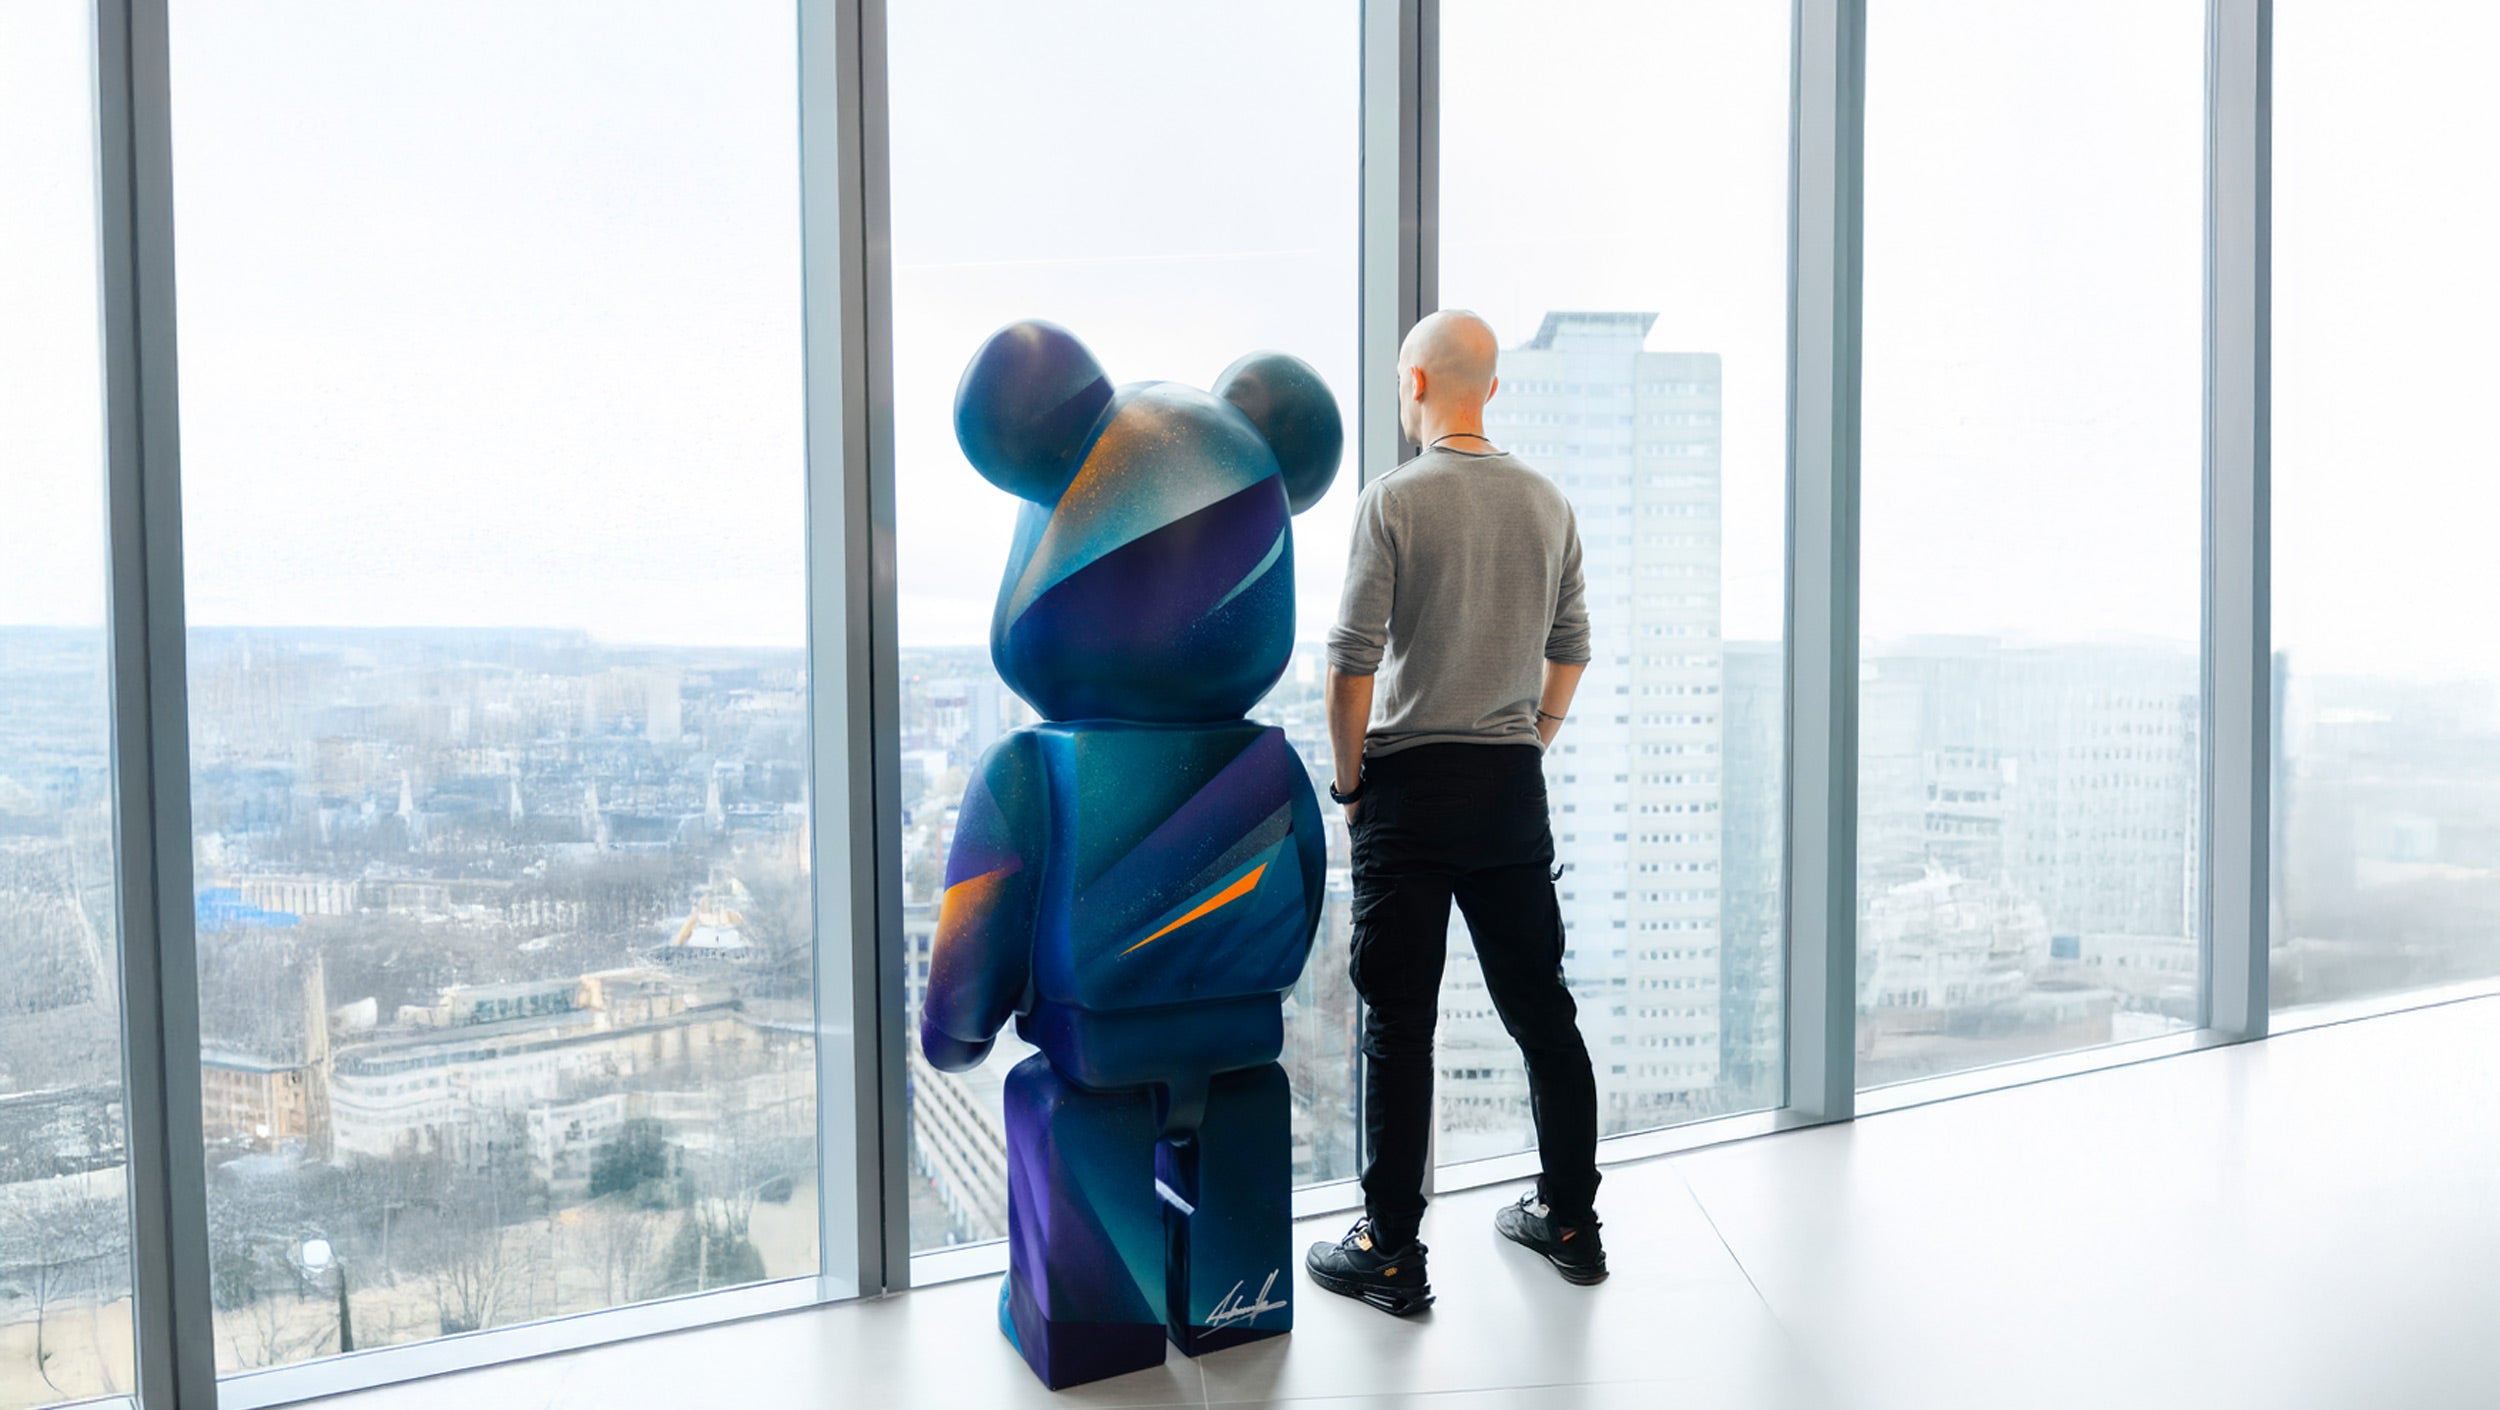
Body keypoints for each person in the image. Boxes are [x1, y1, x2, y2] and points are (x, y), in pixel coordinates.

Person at [1303, 309, 1603, 1317]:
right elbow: (1572, 646)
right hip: (1508, 785)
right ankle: (1569, 1220)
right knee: (1542, 1012)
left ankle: (1389, 1249)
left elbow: (1350, 667)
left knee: (1399, 1023)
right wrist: (1532, 737)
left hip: (1409, 786)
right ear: (1494, 390)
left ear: (1417, 386)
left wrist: (1350, 789)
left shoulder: (1393, 500)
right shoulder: (1546, 501)